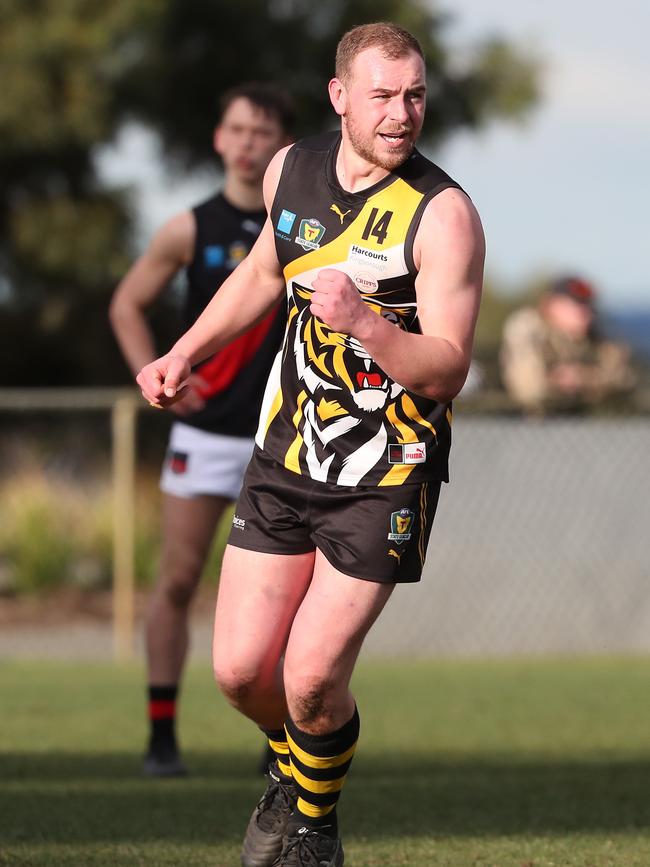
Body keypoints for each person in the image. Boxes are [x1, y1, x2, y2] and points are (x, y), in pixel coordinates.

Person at [136, 22, 484, 866]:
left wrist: (365, 321)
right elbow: (261, 272)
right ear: (340, 97)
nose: (403, 114)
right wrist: (185, 351)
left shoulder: (443, 216)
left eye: (415, 96)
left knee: (312, 677)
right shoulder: (290, 169)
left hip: (386, 474)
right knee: (240, 672)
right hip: (286, 457)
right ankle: (295, 775)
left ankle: (313, 833)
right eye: (383, 95)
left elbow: (446, 369)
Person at [109, 82, 295, 777]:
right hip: (204, 437)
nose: (249, 143)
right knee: (179, 579)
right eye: (238, 130)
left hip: (280, 440)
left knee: (278, 594)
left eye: (263, 132)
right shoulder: (189, 227)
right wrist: (152, 373)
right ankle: (161, 736)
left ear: (283, 145)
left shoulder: (303, 227)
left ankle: (276, 742)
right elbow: (127, 304)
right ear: (220, 138)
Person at [500, 275, 635, 415]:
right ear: (552, 304)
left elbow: (625, 380)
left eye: (588, 304)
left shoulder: (594, 335)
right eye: (576, 304)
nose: (585, 312)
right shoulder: (529, 328)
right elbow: (529, 390)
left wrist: (581, 378)